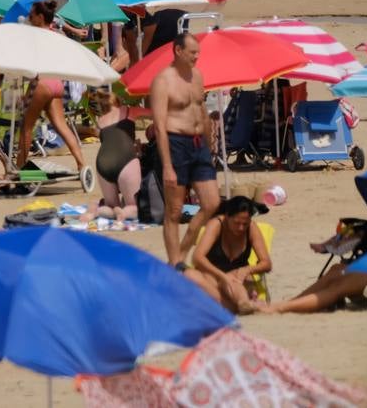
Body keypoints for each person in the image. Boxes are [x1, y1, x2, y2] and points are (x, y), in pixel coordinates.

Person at [149, 32, 220, 265]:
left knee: (212, 204)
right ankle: (175, 263)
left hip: (199, 144)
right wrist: (167, 166)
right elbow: (159, 126)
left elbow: (201, 111)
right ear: (178, 51)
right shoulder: (163, 81)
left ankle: (181, 253)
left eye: (198, 52)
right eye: (192, 52)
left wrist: (210, 144)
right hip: (175, 143)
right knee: (174, 210)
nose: (197, 57)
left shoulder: (197, 75)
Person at [14, 1, 86, 175]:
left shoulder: (35, 38)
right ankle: (82, 164)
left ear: (40, 17)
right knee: (62, 126)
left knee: (26, 127)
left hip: (42, 83)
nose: (29, 18)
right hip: (57, 84)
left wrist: (27, 94)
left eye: (31, 16)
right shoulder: (58, 34)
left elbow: (33, 70)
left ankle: (19, 168)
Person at [184, 195, 272, 313]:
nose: (241, 228)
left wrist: (248, 270)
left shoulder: (251, 228)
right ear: (227, 217)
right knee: (189, 275)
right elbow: (197, 258)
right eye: (236, 223)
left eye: (245, 224)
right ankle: (244, 305)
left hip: (238, 280)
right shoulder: (216, 225)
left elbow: (266, 263)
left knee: (233, 278)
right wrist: (222, 276)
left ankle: (242, 303)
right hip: (213, 276)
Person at [93, 87, 140, 220]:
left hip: (102, 161)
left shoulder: (99, 123)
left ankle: (97, 212)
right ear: (118, 102)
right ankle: (125, 213)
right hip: (125, 157)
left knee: (110, 206)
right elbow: (155, 113)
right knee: (134, 206)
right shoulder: (128, 111)